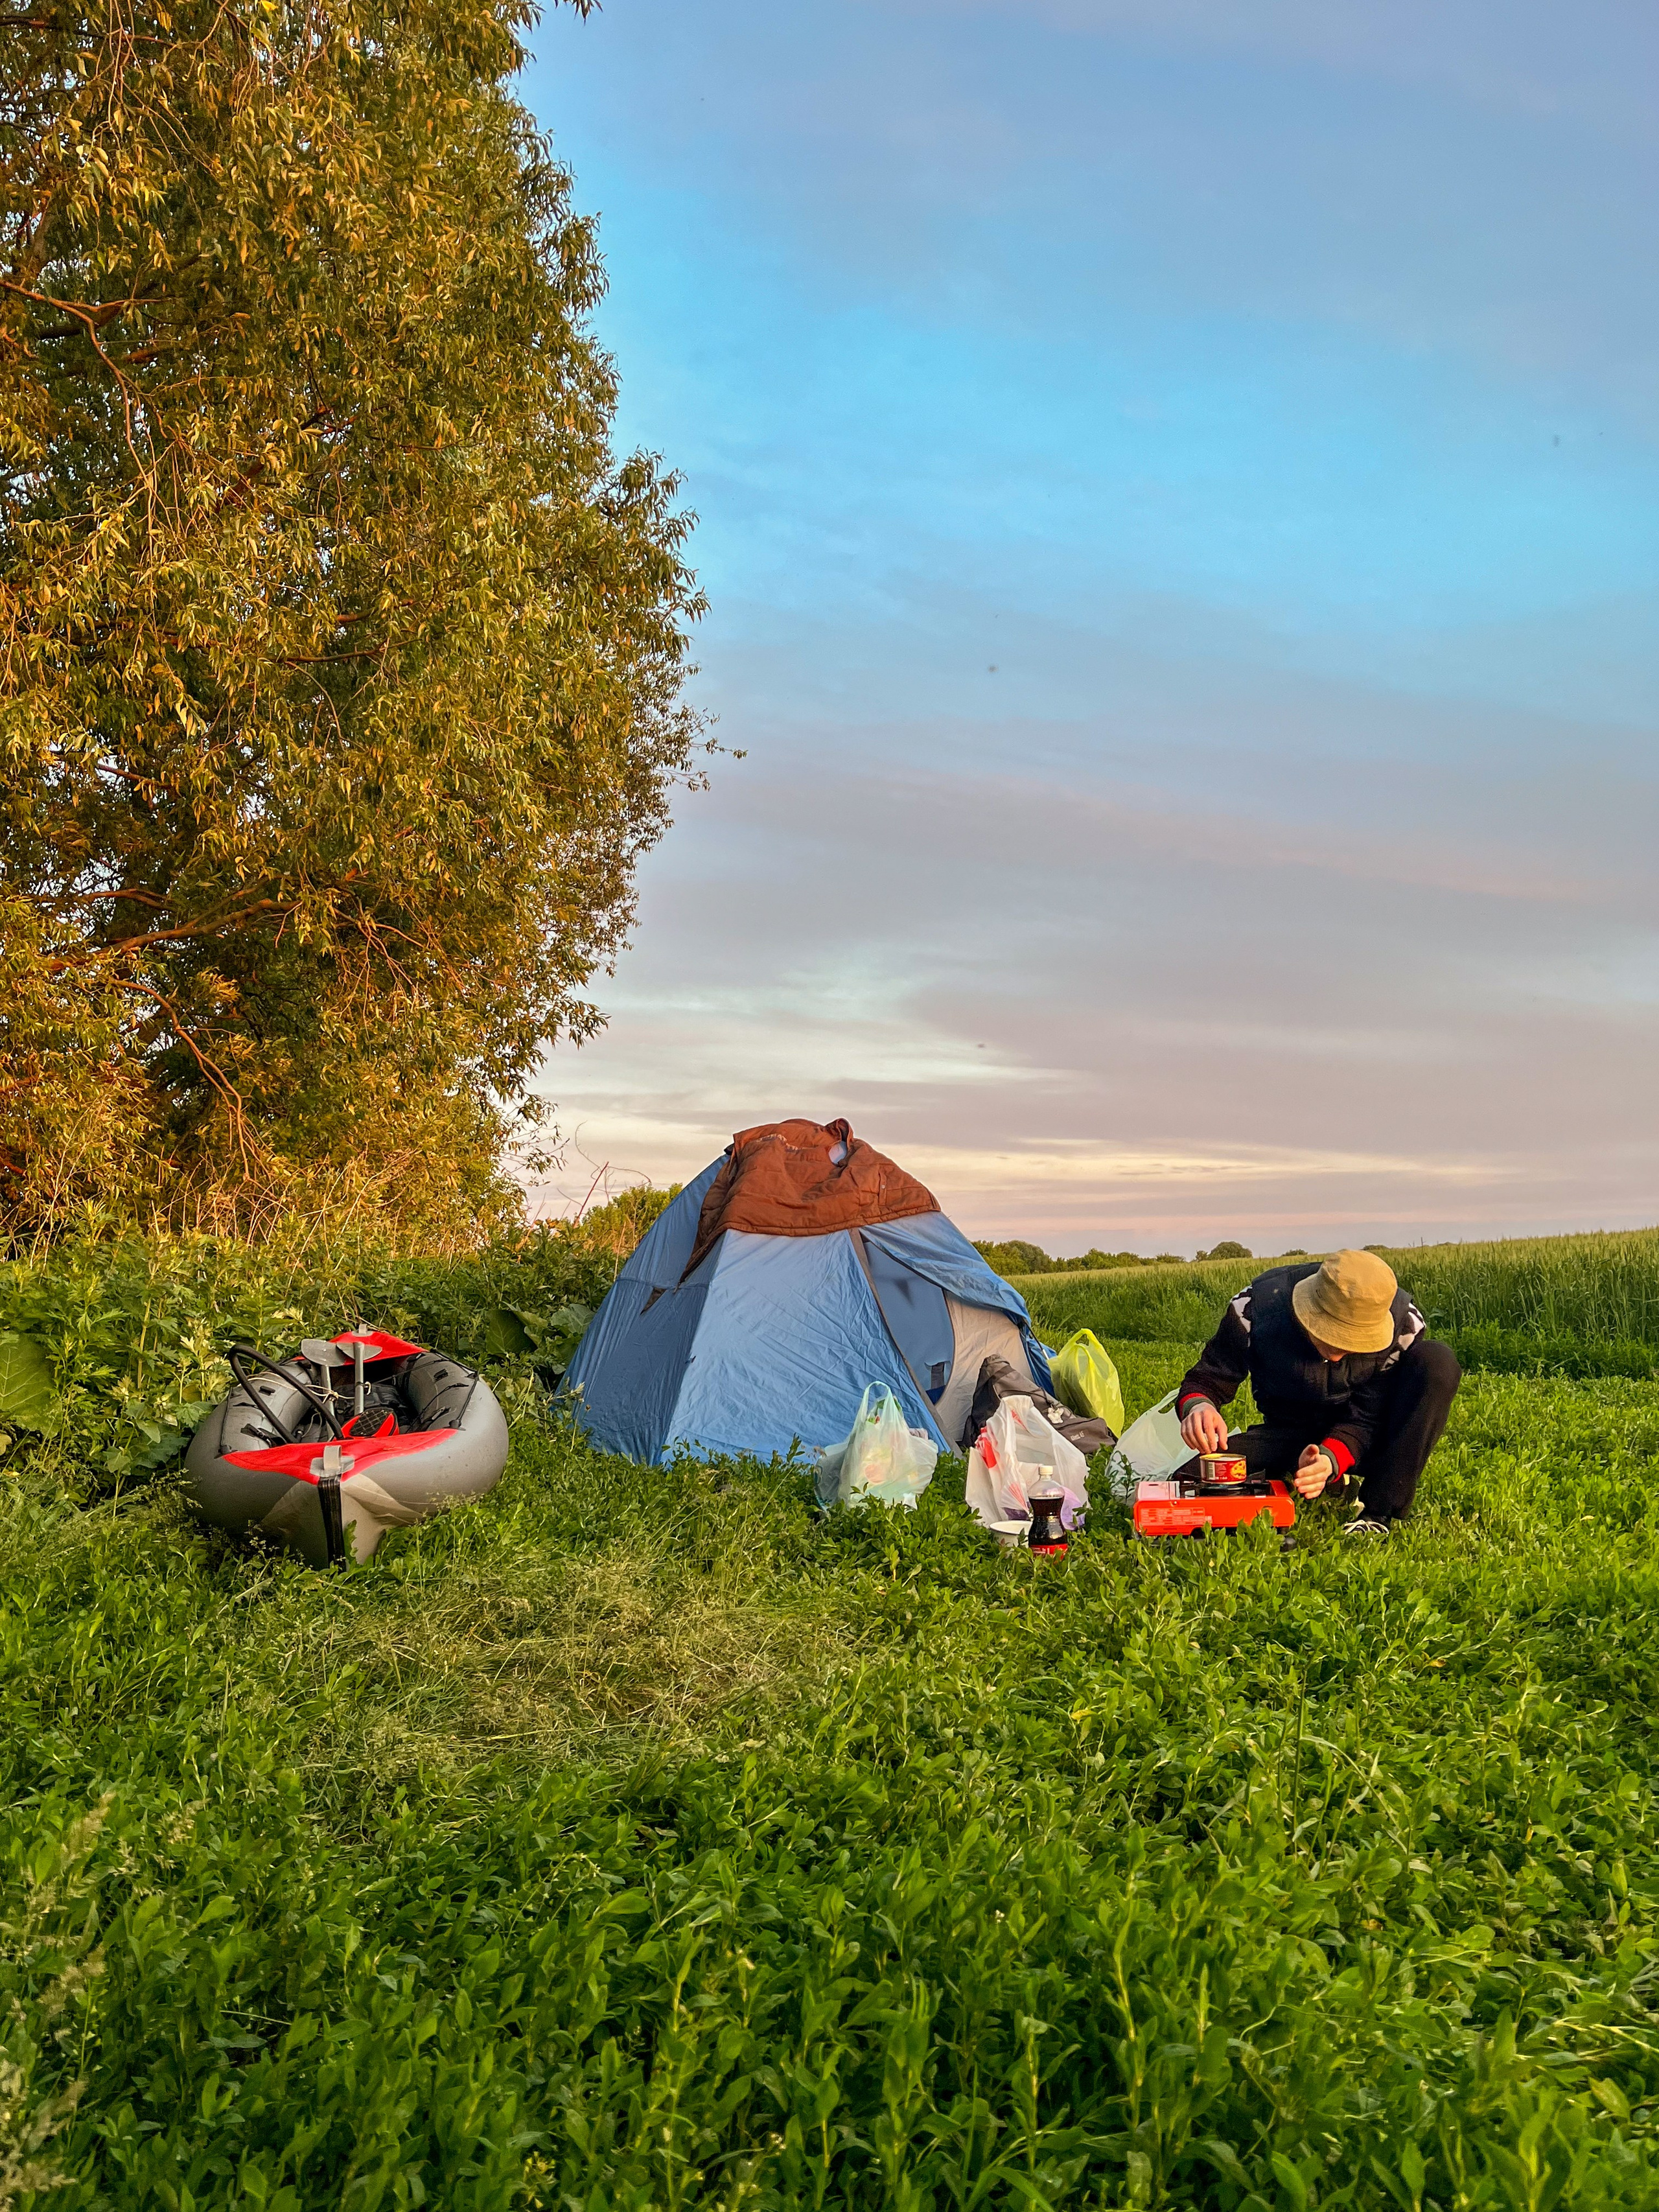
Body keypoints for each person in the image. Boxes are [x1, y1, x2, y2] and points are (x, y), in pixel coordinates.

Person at [1176, 1248, 1460, 1538]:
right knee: (1188, 1479)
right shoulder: (1254, 1308)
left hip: (1370, 1438)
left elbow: (1368, 1416)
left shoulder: (1405, 1326)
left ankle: (1378, 1512)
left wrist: (1331, 1457)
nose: (1338, 1357)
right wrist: (1200, 1407)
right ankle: (1314, 1477)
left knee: (1437, 1362)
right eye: (1330, 1337)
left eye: (1354, 1344)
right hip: (1288, 1433)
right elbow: (1208, 1377)